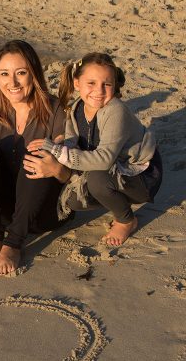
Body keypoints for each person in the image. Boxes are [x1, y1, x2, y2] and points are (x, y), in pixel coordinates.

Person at [26, 52, 163, 246]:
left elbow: (104, 159)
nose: (99, 91)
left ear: (114, 86)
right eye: (91, 83)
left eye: (106, 84)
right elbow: (72, 145)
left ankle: (126, 220)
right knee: (74, 200)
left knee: (98, 179)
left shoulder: (116, 110)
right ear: (76, 83)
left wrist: (57, 152)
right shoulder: (75, 109)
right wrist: (55, 150)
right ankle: (115, 197)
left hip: (141, 173)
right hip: (110, 169)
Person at [0, 40, 68, 276]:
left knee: (41, 150)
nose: (12, 82)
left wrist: (55, 169)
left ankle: (13, 245)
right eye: (4, 74)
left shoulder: (56, 110)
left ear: (34, 74)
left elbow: (70, 174)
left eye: (21, 73)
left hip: (42, 211)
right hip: (4, 213)